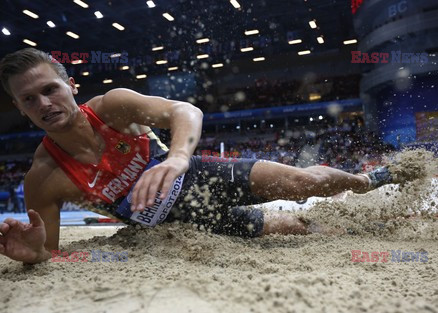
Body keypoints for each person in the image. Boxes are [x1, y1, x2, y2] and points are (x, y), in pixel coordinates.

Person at [0, 48, 395, 264]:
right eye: (29, 99)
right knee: (292, 228)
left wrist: (175, 159)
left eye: (50, 89)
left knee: (303, 183)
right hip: (177, 229)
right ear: (19, 108)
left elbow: (185, 112)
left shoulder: (112, 107)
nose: (44, 103)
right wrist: (32, 253)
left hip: (200, 178)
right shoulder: (42, 178)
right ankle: (340, 223)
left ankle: (364, 182)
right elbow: (48, 252)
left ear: (71, 85)